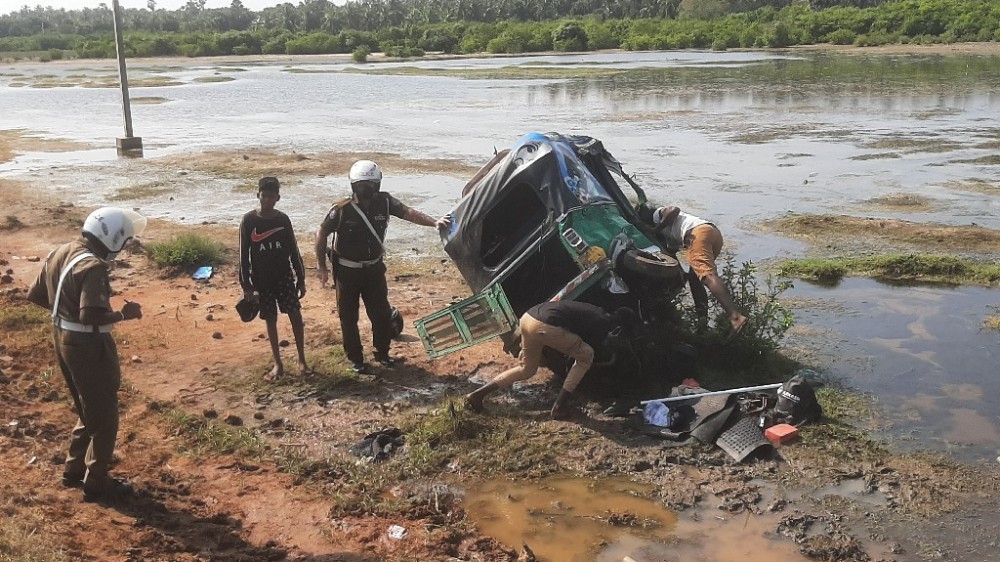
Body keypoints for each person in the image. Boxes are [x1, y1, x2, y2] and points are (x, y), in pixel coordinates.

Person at [26, 206, 146, 502]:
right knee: (105, 415)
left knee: (87, 404)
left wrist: (64, 313)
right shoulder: (93, 267)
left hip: (62, 338)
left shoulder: (61, 251)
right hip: (87, 345)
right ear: (112, 236)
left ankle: (74, 468)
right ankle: (97, 483)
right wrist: (122, 314)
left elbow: (35, 294)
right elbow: (90, 315)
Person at [314, 160, 450, 374]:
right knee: (348, 317)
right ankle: (356, 359)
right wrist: (322, 266)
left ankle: (383, 353)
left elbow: (408, 212)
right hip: (347, 272)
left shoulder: (385, 202)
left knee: (381, 313)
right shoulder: (341, 209)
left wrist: (434, 222)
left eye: (369, 185)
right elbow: (322, 234)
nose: (365, 190)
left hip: (374, 269)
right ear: (353, 185)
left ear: (377, 185)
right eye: (361, 185)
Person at [464, 301, 636, 420]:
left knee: (527, 369)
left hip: (527, 319)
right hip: (545, 327)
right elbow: (591, 346)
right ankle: (560, 406)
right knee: (586, 356)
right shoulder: (604, 322)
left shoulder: (595, 310)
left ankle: (477, 395)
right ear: (619, 326)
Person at [239, 176, 308, 380]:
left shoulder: (283, 220)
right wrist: (247, 286)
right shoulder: (249, 221)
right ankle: (278, 363)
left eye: (272, 196)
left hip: (284, 277)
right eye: (264, 196)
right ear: (258, 196)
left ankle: (302, 360)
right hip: (262, 280)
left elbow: (294, 250)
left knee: (295, 314)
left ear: (278, 198)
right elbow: (243, 255)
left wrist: (301, 278)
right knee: (270, 319)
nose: (268, 200)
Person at [652, 206, 747, 336]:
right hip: (713, 233)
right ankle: (702, 325)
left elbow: (674, 210)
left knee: (708, 276)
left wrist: (654, 229)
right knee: (695, 279)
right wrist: (681, 274)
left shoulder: (655, 215)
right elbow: (672, 255)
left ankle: (735, 317)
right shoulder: (670, 232)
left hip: (697, 235)